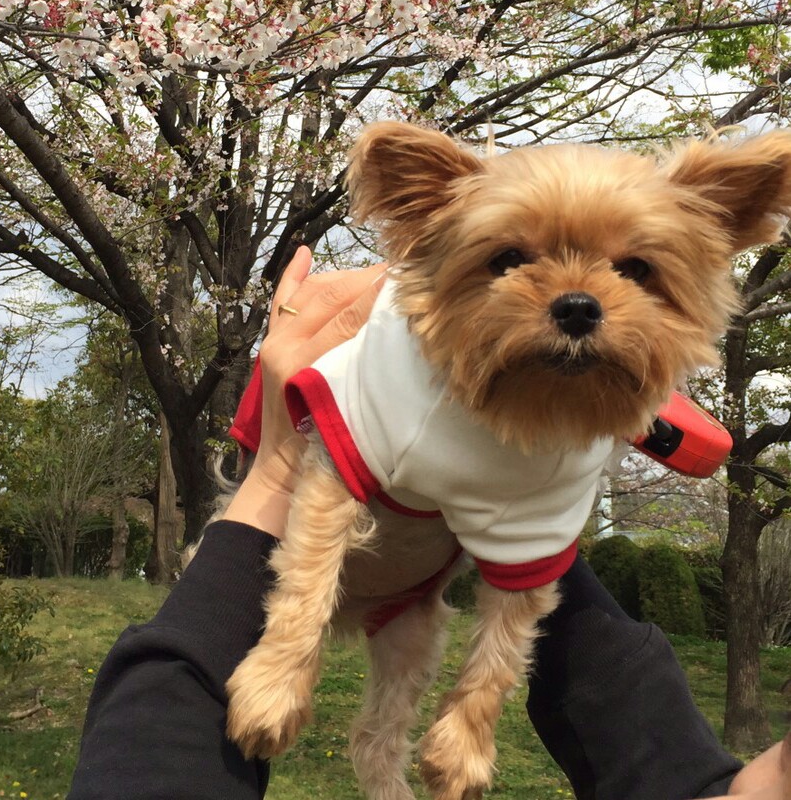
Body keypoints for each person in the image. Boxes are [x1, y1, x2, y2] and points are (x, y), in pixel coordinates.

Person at [68, 247, 790, 800]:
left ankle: (383, 768)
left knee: (409, 654)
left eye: (632, 267)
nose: (577, 293)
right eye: (512, 260)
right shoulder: (390, 382)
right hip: (323, 558)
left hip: (399, 586)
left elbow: (531, 570)